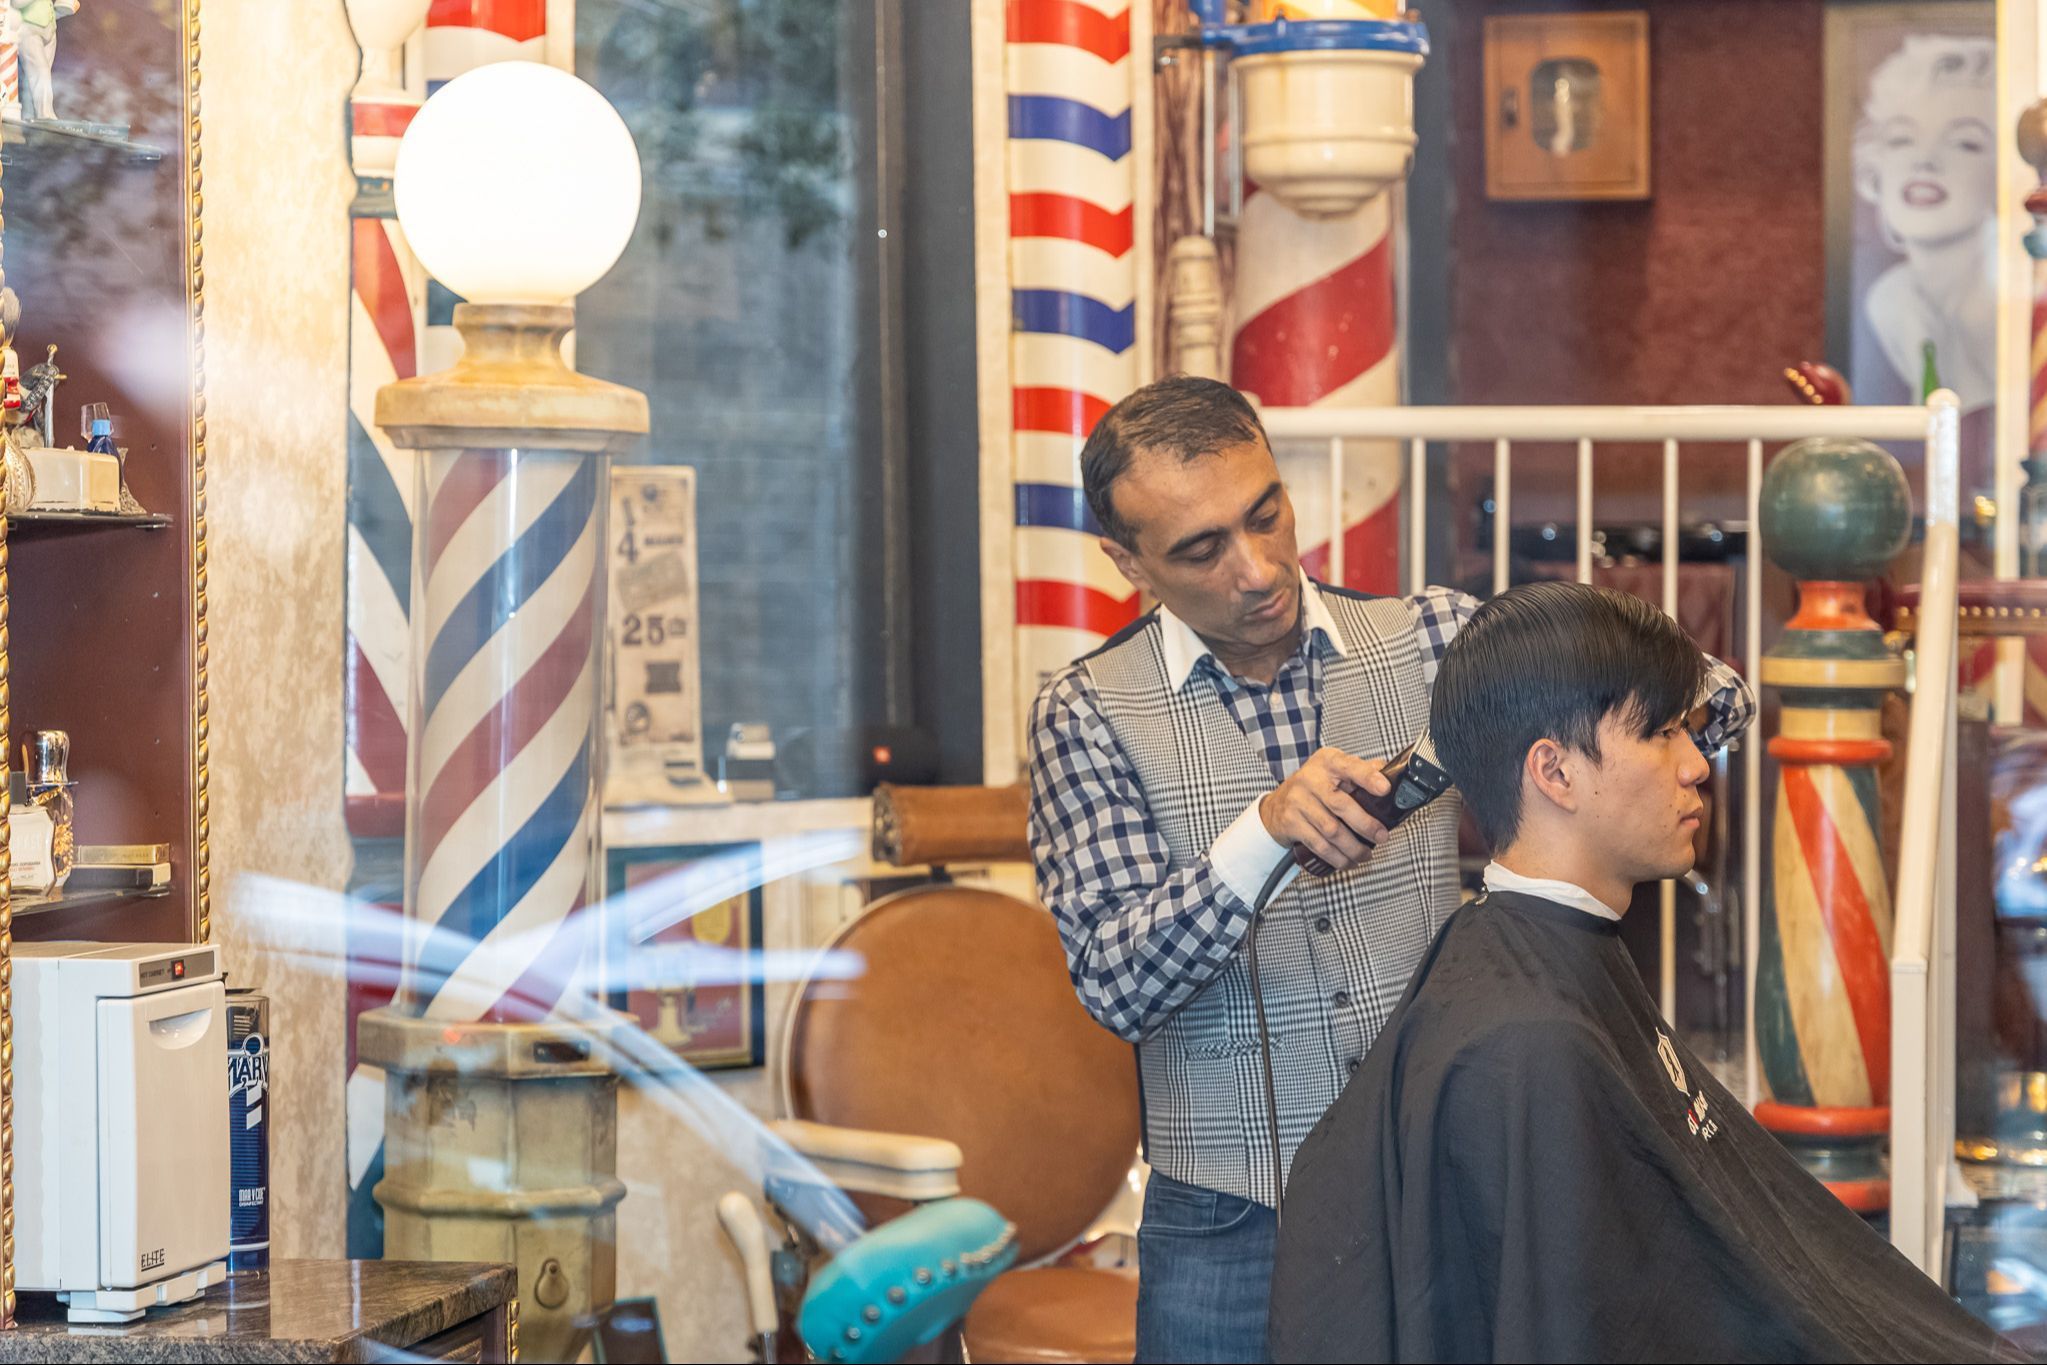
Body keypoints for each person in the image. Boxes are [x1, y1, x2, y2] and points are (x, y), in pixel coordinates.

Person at [1026, 377, 1756, 1362]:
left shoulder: (1432, 639)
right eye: (1201, 550)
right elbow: (1114, 983)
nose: (1256, 569)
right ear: (1126, 562)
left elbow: (1715, 703)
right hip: (1229, 1228)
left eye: (1265, 515)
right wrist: (1260, 839)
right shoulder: (1085, 712)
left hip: (1436, 1187)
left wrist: (1541, 725)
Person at [1268, 581, 2019, 1364]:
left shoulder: (1545, 967)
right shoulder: (1528, 1044)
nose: (1697, 764)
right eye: (1662, 733)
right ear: (1553, 773)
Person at [1854, 34, 1996, 410]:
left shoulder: (2011, 304)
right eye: (1902, 139)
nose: (1925, 161)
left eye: (1964, 142)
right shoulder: (1889, 301)